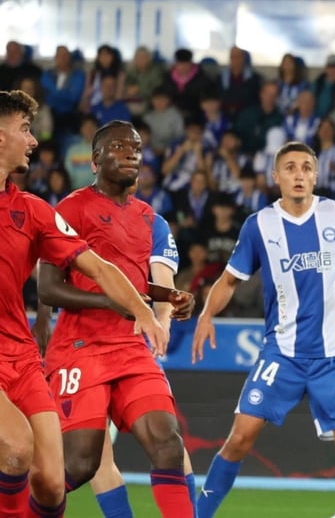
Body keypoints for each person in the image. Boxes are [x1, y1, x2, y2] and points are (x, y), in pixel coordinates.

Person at [191, 141, 335, 518]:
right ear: (276, 176)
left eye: (306, 168)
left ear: (315, 176)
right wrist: (206, 315)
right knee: (240, 437)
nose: (299, 175)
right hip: (281, 354)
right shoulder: (259, 225)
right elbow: (229, 280)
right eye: (290, 168)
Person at [0, 90, 167, 518]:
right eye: (25, 130)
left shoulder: (34, 210)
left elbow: (97, 267)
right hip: (57, 349)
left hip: (21, 356)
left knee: (53, 483)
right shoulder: (75, 205)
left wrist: (144, 311)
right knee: (16, 448)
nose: (34, 141)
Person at [37, 120, 197, 516]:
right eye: (119, 147)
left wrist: (171, 296)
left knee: (168, 444)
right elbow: (48, 288)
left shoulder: (147, 217)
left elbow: (136, 285)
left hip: (130, 347)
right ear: (95, 161)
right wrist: (111, 302)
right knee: (80, 463)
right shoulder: (71, 208)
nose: (130, 153)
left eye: (136, 148)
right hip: (80, 347)